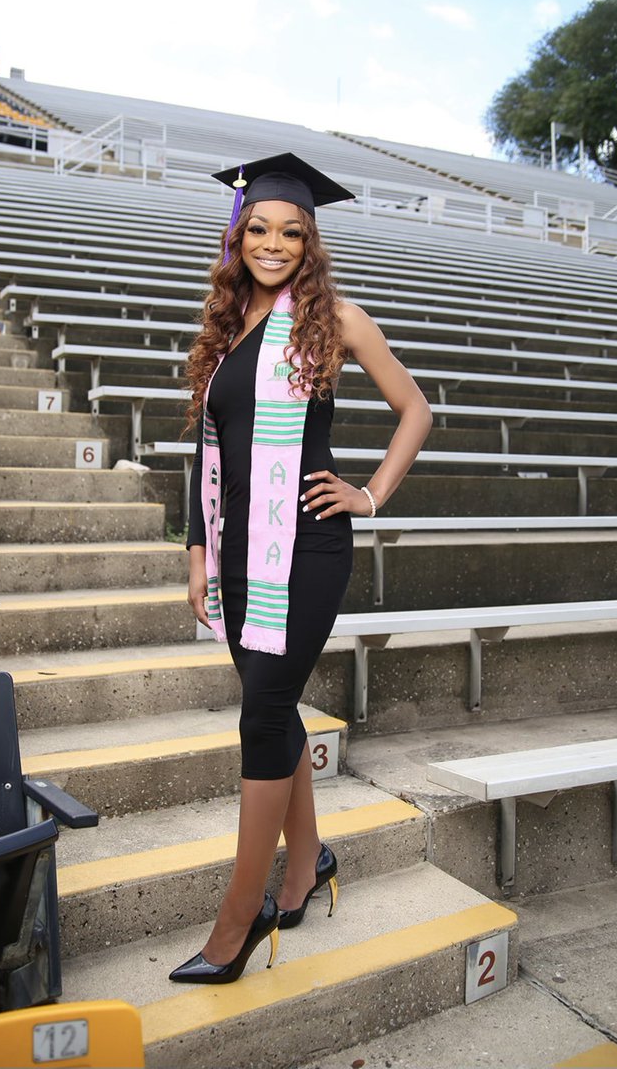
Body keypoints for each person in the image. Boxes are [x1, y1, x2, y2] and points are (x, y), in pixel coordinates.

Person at [170, 153, 433, 985]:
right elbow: (206, 451)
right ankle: (306, 859)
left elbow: (416, 409)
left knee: (263, 715)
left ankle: (236, 923)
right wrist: (197, 549)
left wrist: (368, 493)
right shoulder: (223, 331)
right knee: (272, 706)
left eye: (291, 231)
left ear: (308, 241)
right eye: (259, 229)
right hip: (240, 547)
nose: (273, 243)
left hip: (307, 546)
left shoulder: (335, 321)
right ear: (237, 234)